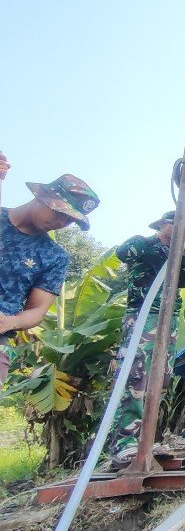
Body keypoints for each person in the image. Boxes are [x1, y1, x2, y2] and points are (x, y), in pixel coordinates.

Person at [108, 211, 185, 468]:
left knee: (160, 379)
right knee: (136, 378)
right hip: (143, 315)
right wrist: (166, 241)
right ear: (163, 224)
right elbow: (124, 252)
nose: (183, 230)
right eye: (178, 224)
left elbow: (184, 280)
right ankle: (124, 445)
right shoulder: (142, 243)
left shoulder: (181, 252)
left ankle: (146, 441)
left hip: (169, 317)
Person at [0, 161, 100, 384]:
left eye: (70, 220)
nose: (63, 223)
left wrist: (9, 322)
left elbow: (37, 310)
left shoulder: (55, 256)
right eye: (60, 213)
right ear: (42, 196)